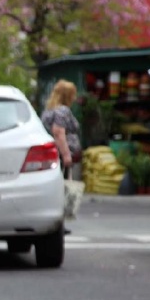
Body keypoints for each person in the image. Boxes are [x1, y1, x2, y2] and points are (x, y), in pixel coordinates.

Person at [42, 80, 82, 233]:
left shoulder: (49, 110)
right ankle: (58, 224)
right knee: (62, 189)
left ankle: (55, 223)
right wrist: (66, 155)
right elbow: (58, 132)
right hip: (59, 155)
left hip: (51, 154)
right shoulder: (62, 111)